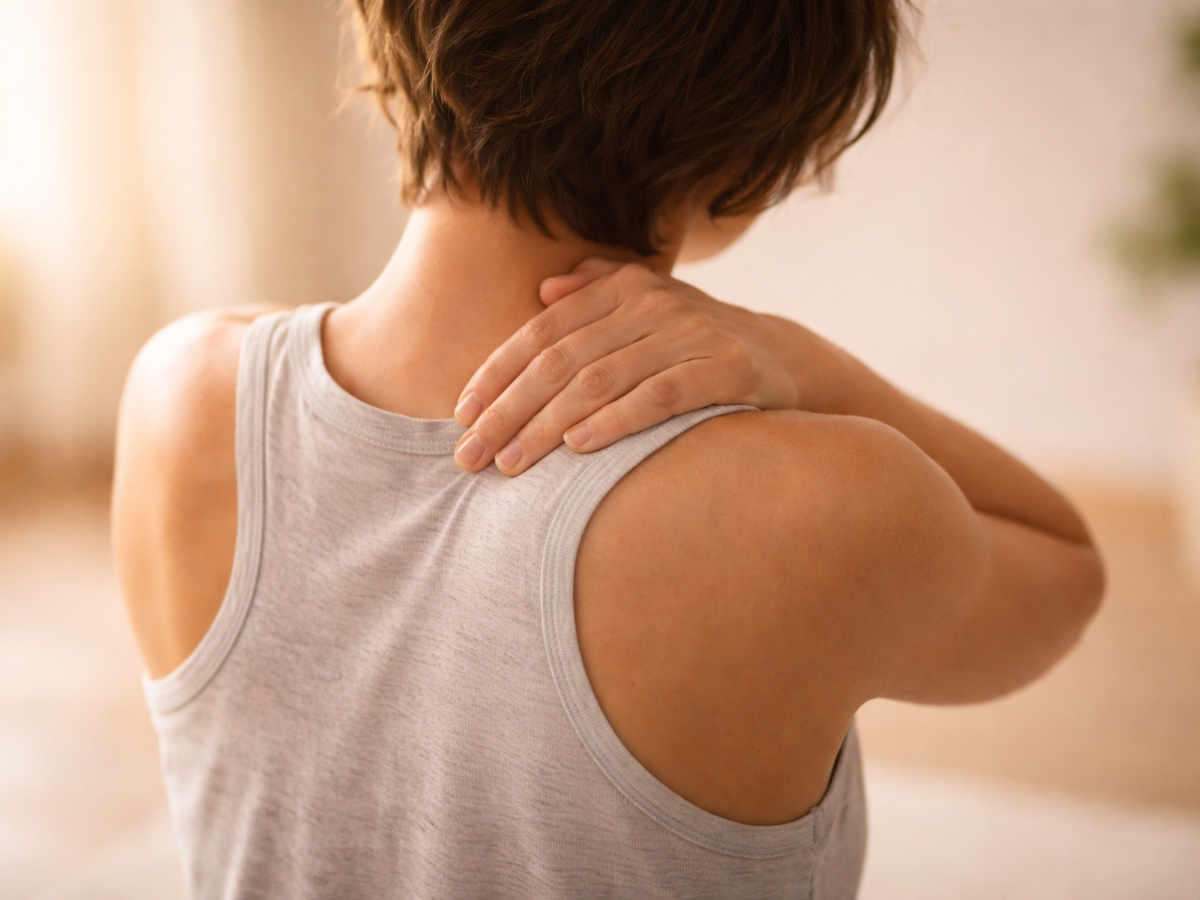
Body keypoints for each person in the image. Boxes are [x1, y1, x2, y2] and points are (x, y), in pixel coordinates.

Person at [111, 1, 1105, 897]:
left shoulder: (181, 393)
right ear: (748, 148)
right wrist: (804, 360)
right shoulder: (821, 505)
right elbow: (1066, 568)